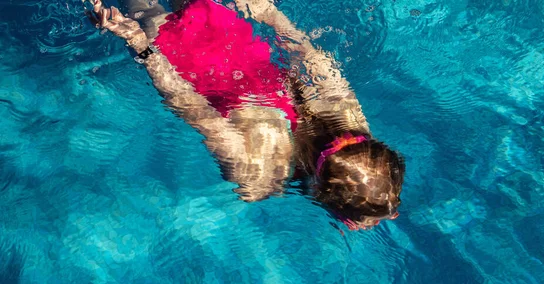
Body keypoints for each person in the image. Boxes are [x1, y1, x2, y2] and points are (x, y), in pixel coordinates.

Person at [85, 0, 405, 230]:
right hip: (183, 58)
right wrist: (141, 46)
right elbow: (191, 107)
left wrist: (268, 12)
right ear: (322, 192)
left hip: (232, 36)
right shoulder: (258, 178)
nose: (392, 216)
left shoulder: (352, 126)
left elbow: (312, 59)